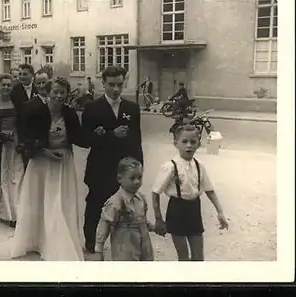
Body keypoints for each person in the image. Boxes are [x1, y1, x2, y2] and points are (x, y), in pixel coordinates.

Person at [10, 77, 88, 261]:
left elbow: (79, 138)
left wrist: (97, 132)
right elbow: (24, 139)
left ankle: (57, 240)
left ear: (67, 95)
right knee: (39, 200)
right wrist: (44, 152)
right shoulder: (36, 112)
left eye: (63, 93)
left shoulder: (69, 114)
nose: (59, 96)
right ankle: (36, 240)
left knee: (59, 201)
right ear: (48, 92)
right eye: (56, 92)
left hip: (62, 162)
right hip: (41, 161)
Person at [81, 65, 144, 254]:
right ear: (103, 83)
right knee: (95, 205)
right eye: (111, 85)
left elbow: (136, 139)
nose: (116, 89)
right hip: (100, 167)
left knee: (125, 207)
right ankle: (91, 242)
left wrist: (138, 168)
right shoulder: (92, 108)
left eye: (119, 84)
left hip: (124, 168)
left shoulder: (132, 108)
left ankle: (123, 244)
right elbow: (84, 140)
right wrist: (110, 135)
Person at [151, 124, 229, 261]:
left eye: (193, 142)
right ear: (176, 144)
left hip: (194, 210)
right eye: (184, 141)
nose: (189, 145)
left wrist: (220, 212)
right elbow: (155, 192)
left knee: (198, 257)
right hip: (177, 210)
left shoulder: (199, 166)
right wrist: (158, 219)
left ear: (198, 145)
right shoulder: (170, 166)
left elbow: (209, 190)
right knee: (184, 257)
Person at [92, 157, 155, 261]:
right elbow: (105, 224)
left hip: (143, 242)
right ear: (119, 179)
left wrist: (152, 227)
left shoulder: (141, 199)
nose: (136, 182)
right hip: (124, 243)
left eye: (140, 177)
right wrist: (99, 249)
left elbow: (142, 219)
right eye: (132, 178)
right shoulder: (115, 202)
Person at [0, 74, 25, 228]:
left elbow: (22, 121)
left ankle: (17, 212)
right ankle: (7, 213)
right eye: (4, 85)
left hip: (15, 143)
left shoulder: (17, 102)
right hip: (0, 144)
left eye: (9, 85)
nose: (6, 88)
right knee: (3, 177)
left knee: (17, 176)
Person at [10, 63, 38, 170]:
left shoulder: (38, 88)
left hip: (36, 130)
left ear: (32, 75)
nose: (21, 77)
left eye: (25, 74)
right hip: (22, 130)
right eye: (20, 74)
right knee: (24, 161)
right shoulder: (15, 91)